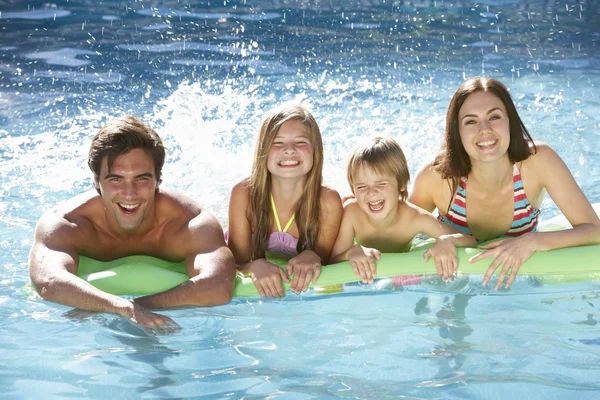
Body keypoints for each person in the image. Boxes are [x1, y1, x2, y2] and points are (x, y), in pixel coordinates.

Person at [29, 115, 237, 334]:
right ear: (95, 180)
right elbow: (48, 282)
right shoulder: (68, 223)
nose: (130, 194)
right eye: (116, 179)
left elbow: (218, 285)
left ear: (158, 179)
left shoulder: (189, 223)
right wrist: (122, 307)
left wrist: (139, 307)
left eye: (142, 179)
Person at [409, 76, 600, 289]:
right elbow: (395, 231)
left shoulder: (538, 162)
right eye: (471, 121)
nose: (485, 130)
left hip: (519, 284)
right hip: (451, 284)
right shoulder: (437, 177)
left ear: (510, 121)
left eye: (494, 117)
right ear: (457, 132)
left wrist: (531, 241)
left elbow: (593, 230)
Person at [228, 103, 343, 297]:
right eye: (278, 142)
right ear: (263, 151)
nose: (289, 150)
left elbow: (327, 262)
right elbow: (235, 263)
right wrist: (253, 266)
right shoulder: (244, 194)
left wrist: (313, 256)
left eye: (300, 142)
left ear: (316, 150)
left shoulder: (327, 201)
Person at [329, 137, 476, 283]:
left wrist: (447, 240)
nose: (371, 193)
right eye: (361, 187)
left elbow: (470, 241)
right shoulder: (352, 212)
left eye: (381, 184)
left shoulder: (414, 217)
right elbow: (331, 262)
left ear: (402, 184)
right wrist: (350, 253)